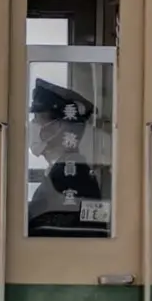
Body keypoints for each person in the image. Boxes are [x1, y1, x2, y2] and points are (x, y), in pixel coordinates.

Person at [27, 77, 109, 236]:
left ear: (58, 126)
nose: (32, 126)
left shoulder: (69, 177)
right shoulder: (68, 171)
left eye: (38, 119)